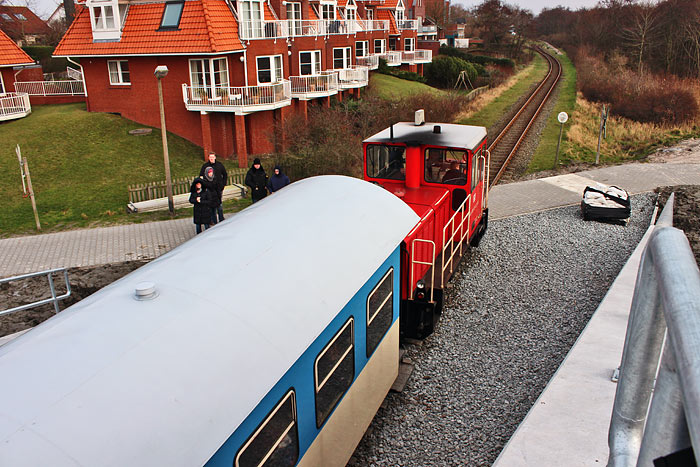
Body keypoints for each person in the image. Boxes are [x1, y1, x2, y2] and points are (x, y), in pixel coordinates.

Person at [199, 153, 227, 223]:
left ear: (215, 157)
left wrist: (223, 184)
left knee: (219, 204)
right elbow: (201, 177)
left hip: (218, 188)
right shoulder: (205, 166)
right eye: (210, 157)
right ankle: (213, 220)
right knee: (211, 205)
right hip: (209, 189)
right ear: (208, 158)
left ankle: (221, 219)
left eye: (213, 157)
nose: (211, 158)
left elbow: (225, 174)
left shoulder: (219, 165)